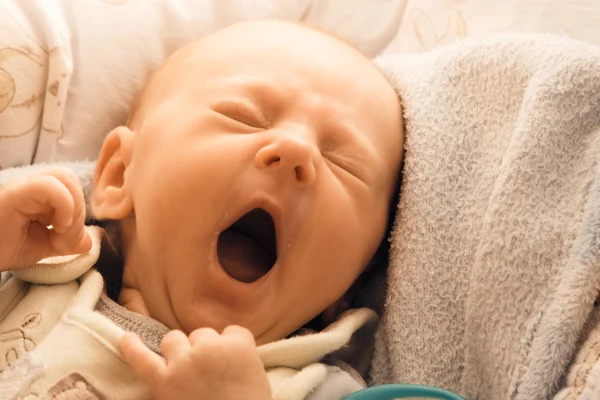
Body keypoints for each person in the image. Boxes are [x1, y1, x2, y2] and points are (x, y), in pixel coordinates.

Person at [0, 19, 403, 400]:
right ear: (121, 175)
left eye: (343, 164)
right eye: (243, 117)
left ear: (350, 282)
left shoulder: (313, 387)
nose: (296, 150)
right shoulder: (38, 267)